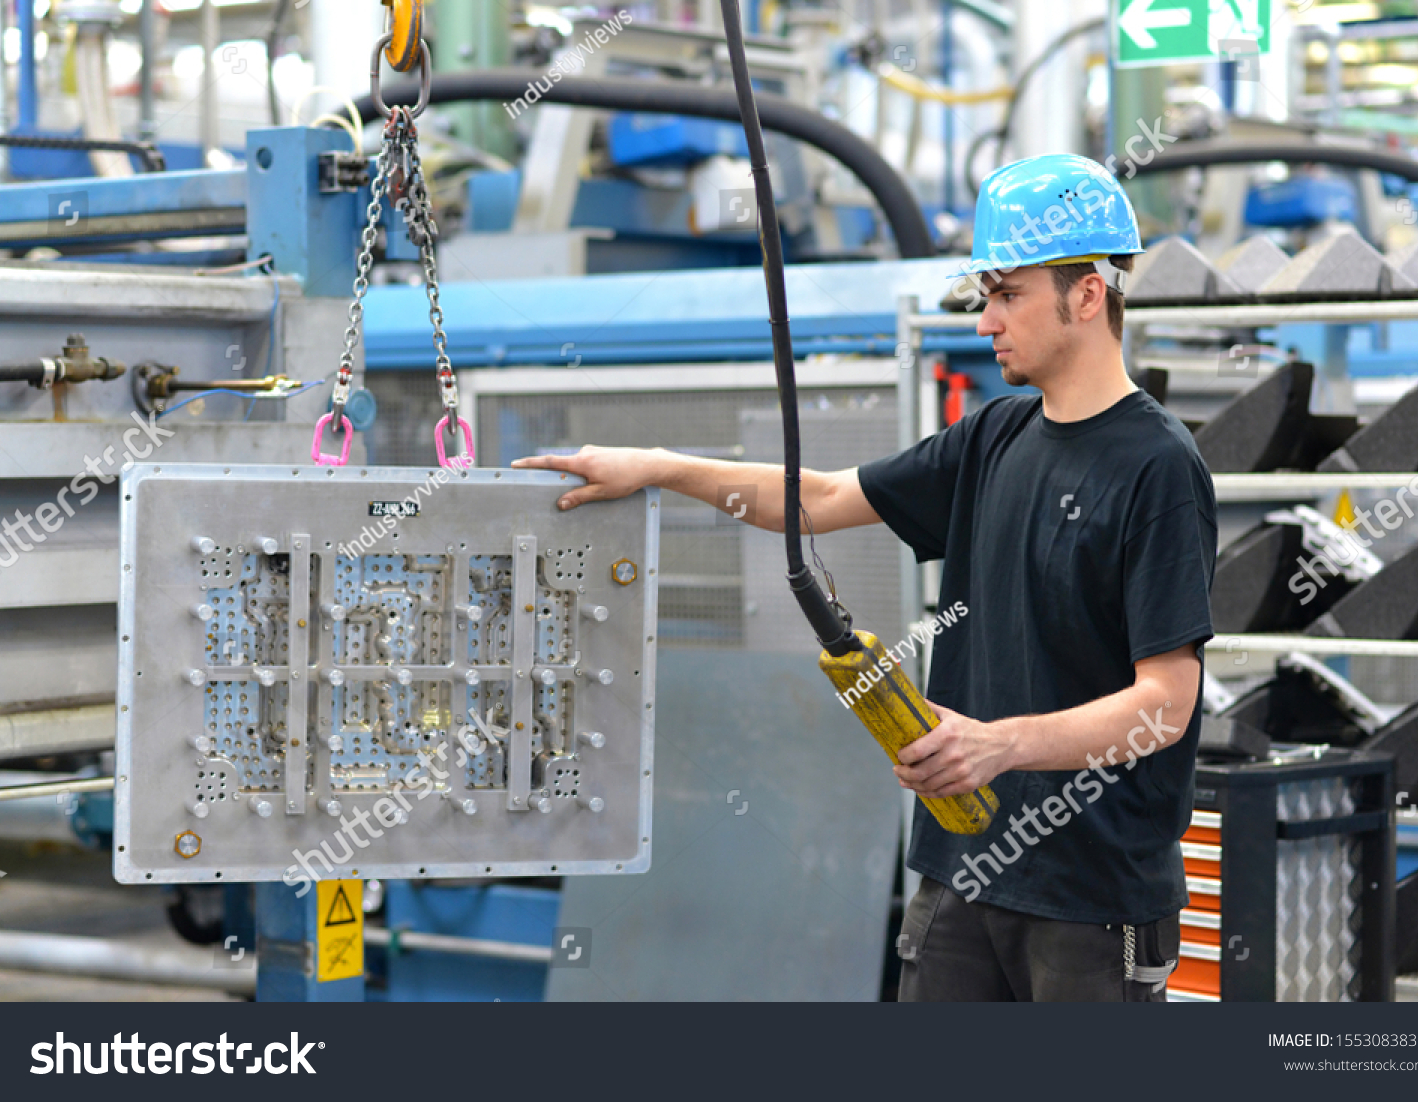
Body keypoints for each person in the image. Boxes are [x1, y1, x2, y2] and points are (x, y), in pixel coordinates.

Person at [513, 153, 1218, 1002]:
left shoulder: (1158, 467)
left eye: (1007, 293)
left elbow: (1166, 705)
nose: (986, 316)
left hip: (1089, 903)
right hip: (963, 873)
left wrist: (998, 743)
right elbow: (815, 498)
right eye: (983, 294)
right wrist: (659, 467)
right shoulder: (992, 437)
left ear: (1088, 295)